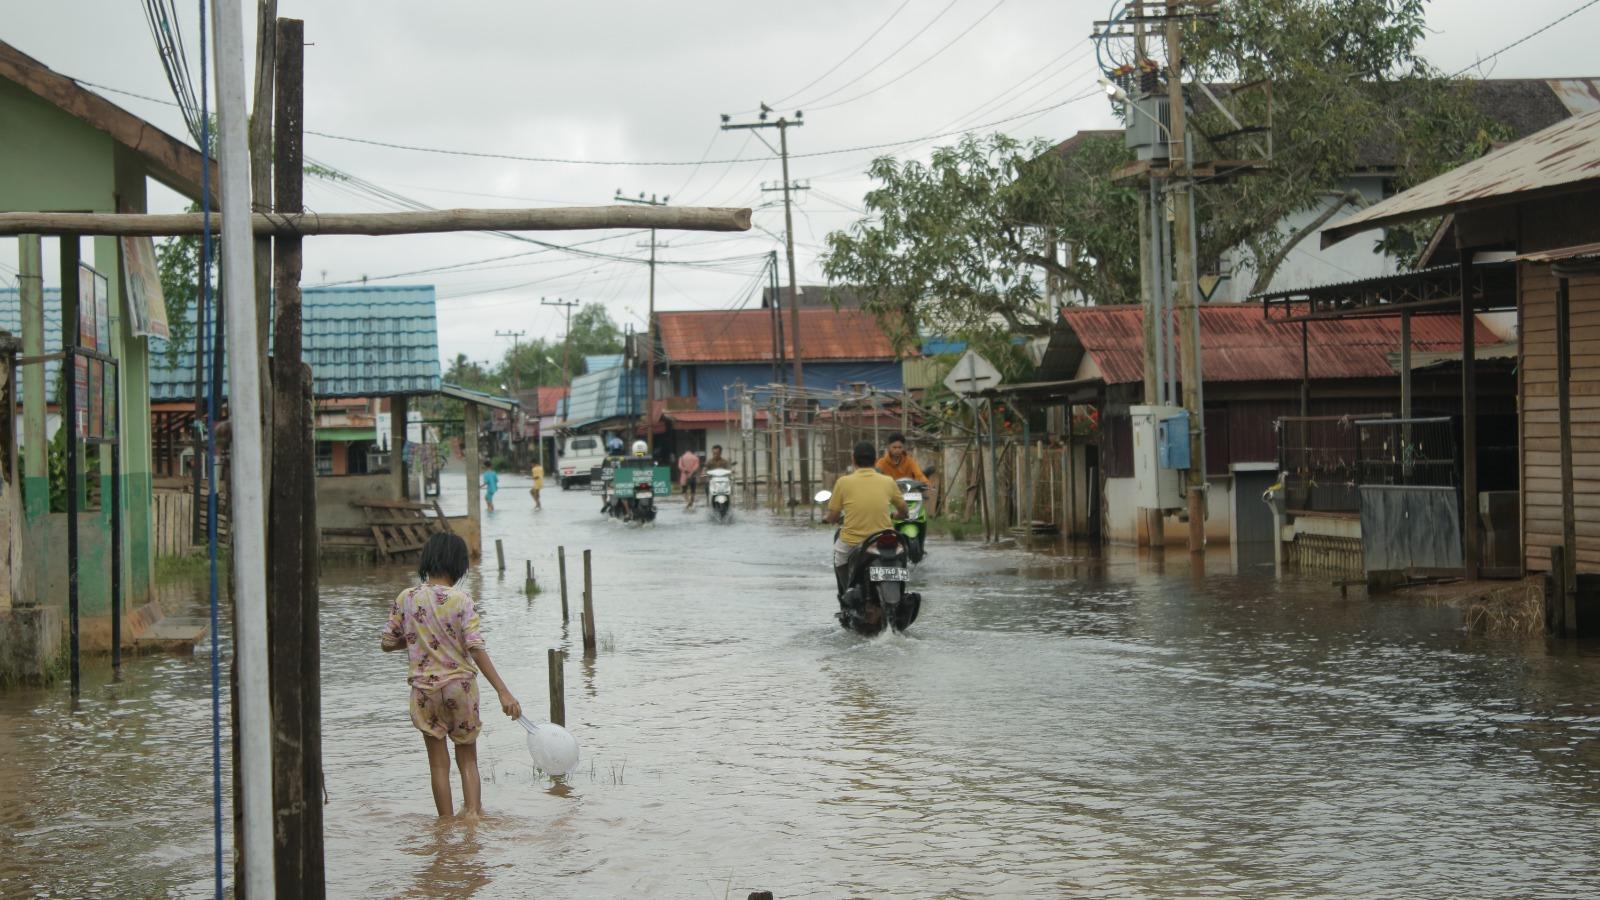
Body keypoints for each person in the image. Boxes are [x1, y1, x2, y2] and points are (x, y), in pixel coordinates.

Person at [381, 533, 522, 819]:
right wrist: (502, 691)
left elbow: (386, 643)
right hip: (460, 688)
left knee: (437, 765)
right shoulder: (461, 600)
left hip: (423, 691)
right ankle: (472, 819)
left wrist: (415, 638)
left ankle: (444, 829)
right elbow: (475, 646)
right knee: (467, 759)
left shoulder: (406, 598)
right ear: (458, 565)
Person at [824, 441, 908, 594]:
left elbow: (833, 515)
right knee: (901, 557)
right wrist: (896, 516)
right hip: (884, 540)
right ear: (875, 460)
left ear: (853, 460)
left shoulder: (843, 482)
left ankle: (847, 593)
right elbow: (903, 510)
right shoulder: (888, 481)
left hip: (853, 541)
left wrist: (827, 519)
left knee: (840, 559)